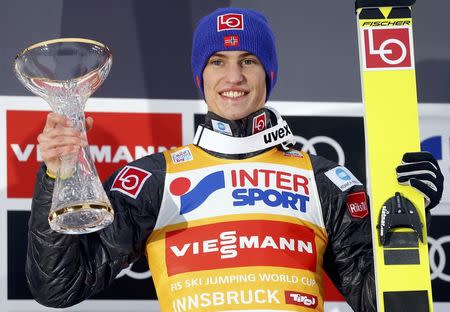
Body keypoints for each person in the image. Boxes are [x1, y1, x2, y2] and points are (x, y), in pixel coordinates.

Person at [27, 7, 443, 312]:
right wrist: (57, 179)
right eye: (217, 62)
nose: (233, 78)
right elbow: (59, 286)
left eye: (248, 61)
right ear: (201, 76)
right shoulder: (154, 178)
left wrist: (411, 225)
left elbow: (384, 304)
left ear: (268, 74)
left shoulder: (324, 180)